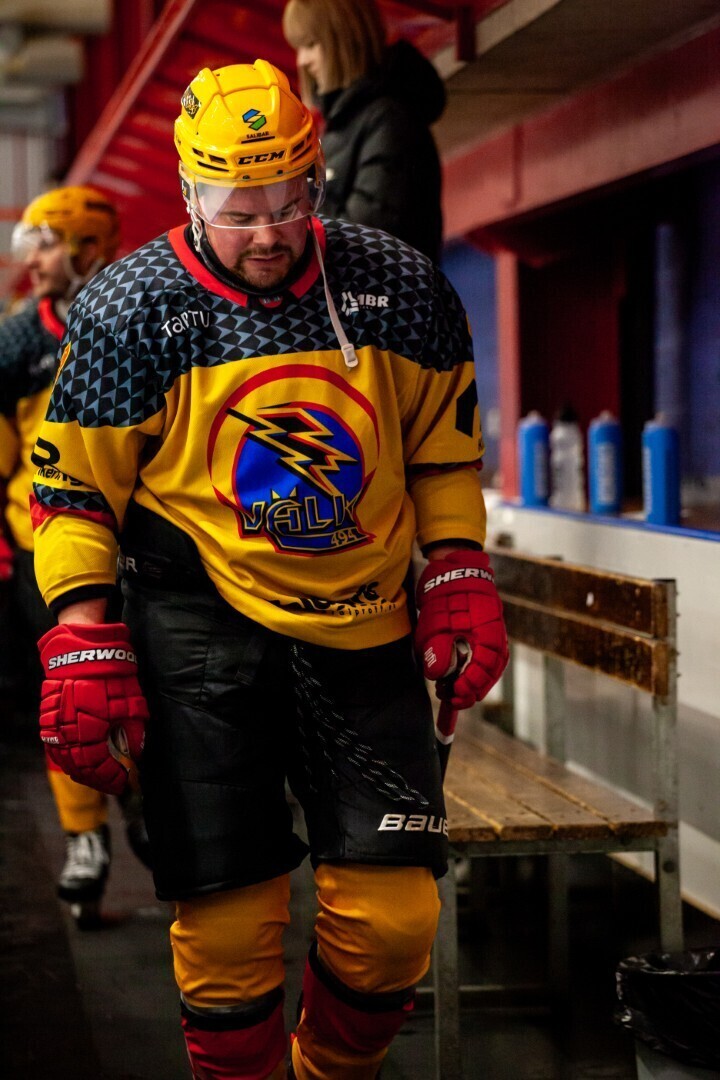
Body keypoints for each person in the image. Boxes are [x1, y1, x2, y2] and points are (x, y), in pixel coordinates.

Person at [31, 60, 507, 1079]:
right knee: (226, 925)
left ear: (315, 176)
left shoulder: (398, 287)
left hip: (365, 630)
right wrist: (80, 629)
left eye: (287, 203)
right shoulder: (127, 309)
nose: (266, 234)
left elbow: (443, 453)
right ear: (189, 193)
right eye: (237, 212)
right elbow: (73, 493)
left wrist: (458, 565)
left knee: (394, 922)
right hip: (198, 630)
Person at [0, 185, 150, 928]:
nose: (34, 261)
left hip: (140, 547)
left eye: (49, 243)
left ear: (89, 247)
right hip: (45, 547)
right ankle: (83, 835)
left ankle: (149, 812)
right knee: (70, 696)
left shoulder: (143, 316)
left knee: (160, 692)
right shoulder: (17, 341)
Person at [282, 0, 446, 262]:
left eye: (311, 44)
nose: (303, 60)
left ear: (345, 38)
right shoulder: (346, 124)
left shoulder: (389, 121)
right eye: (299, 48)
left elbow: (368, 241)